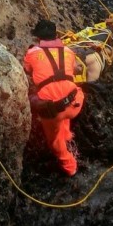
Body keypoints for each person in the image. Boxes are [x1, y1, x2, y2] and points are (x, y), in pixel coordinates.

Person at [23, 19, 85, 177]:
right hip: (75, 103)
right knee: (66, 92)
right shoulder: (69, 52)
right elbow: (76, 69)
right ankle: (67, 135)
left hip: (52, 111)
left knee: (54, 142)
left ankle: (69, 166)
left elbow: (27, 69)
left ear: (38, 38)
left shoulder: (32, 53)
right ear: (56, 35)